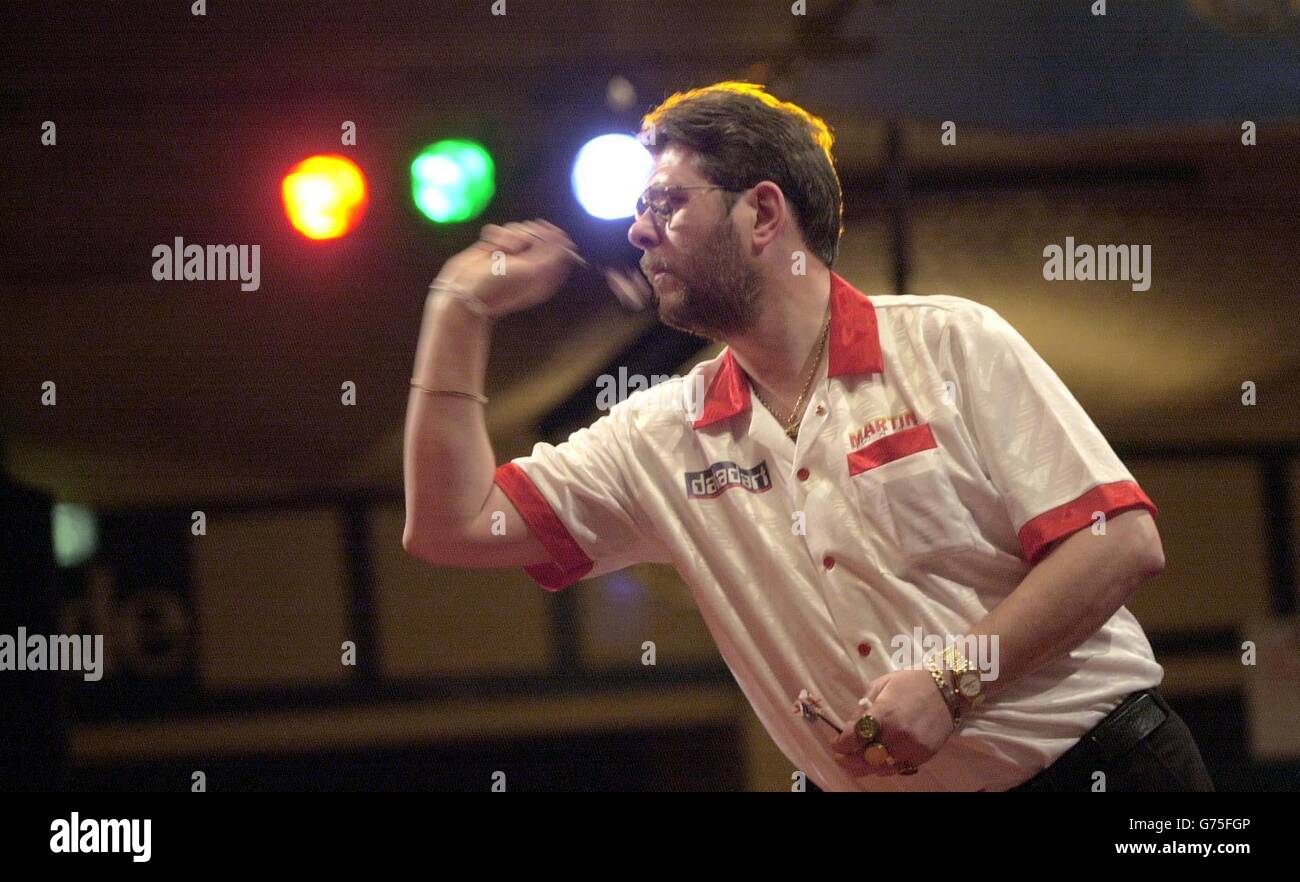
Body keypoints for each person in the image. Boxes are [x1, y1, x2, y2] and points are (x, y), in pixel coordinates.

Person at [402, 81, 1214, 791]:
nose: (641, 233)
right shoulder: (659, 435)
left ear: (761, 212)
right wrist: (457, 308)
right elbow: (452, 526)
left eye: (667, 204)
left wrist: (950, 683)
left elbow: (1120, 543)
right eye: (641, 212)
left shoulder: (949, 342)